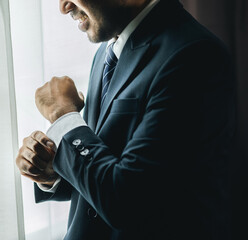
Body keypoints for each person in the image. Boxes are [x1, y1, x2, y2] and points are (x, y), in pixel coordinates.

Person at [16, 0, 236, 239]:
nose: (63, 6)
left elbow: (127, 201)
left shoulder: (194, 55)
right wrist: (52, 174)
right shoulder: (107, 51)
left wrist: (64, 117)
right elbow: (107, 167)